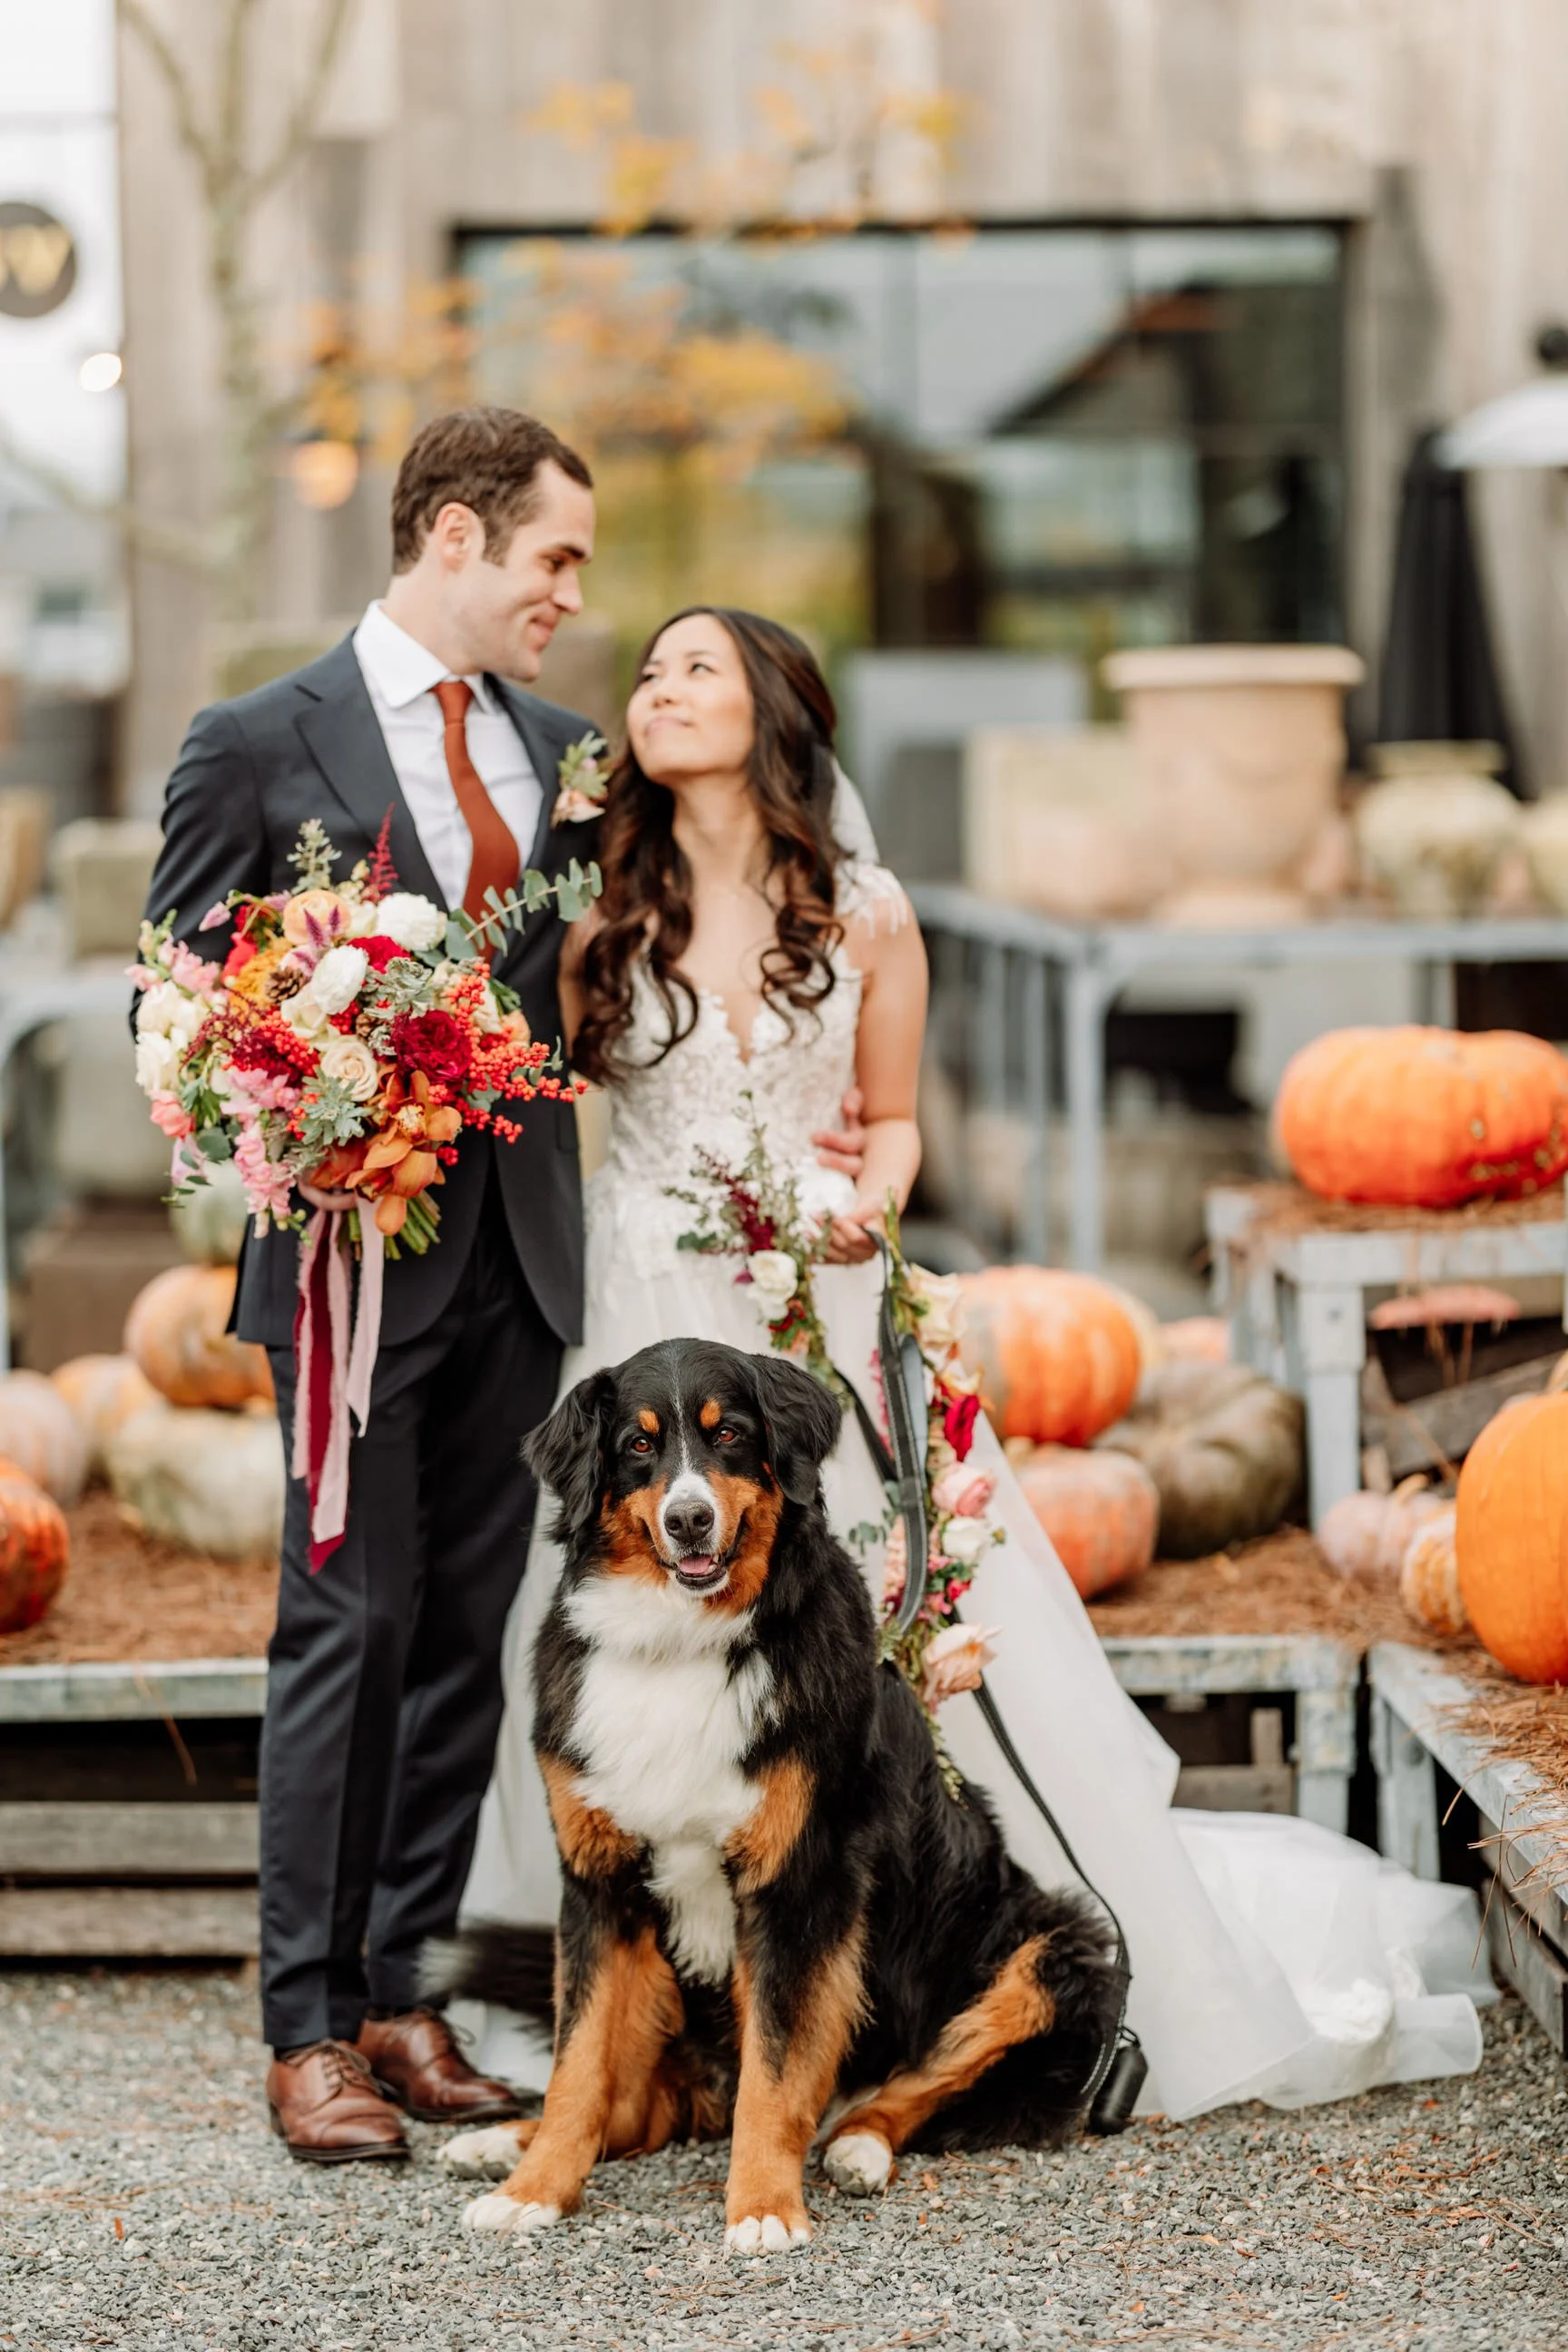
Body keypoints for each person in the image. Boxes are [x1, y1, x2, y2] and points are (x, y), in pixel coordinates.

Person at [462, 605, 1494, 2122]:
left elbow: (892, 1124)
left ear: (775, 710)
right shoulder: (599, 909)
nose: (658, 692)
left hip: (822, 1308)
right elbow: (526, 1101)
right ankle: (640, 2028)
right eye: (650, 674)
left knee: (883, 1625)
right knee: (620, 1645)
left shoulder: (866, 912)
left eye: (697, 669)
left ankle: (904, 1951)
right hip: (640, 1302)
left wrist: (860, 1203)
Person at [141, 412, 867, 2161]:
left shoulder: (567, 758)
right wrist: (293, 1091)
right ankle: (305, 2029)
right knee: (348, 1624)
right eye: (553, 561)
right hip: (349, 1272)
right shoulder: (251, 742)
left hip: (535, 1269)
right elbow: (172, 1007)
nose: (570, 599)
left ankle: (406, 2004)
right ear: (454, 540)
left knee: (468, 1635)